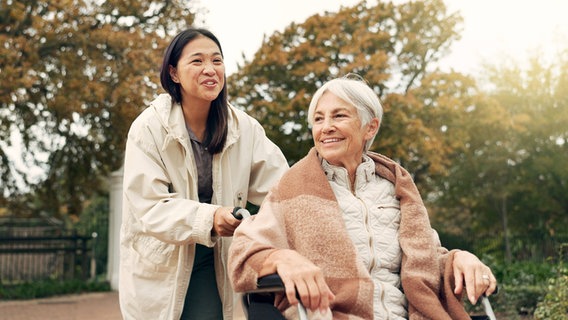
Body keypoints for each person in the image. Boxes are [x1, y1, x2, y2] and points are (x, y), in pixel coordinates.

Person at [228, 75, 498, 320]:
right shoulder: (292, 189)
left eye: (339, 116)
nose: (326, 127)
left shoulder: (396, 187)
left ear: (370, 128)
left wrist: (459, 259)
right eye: (319, 119)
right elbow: (243, 251)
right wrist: (282, 259)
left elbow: (423, 261)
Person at [118, 27, 289, 320]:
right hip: (162, 258)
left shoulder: (243, 128)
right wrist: (211, 217)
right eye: (197, 61)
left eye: (217, 60)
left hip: (214, 258)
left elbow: (284, 189)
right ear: (174, 73)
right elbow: (150, 206)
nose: (210, 69)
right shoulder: (148, 127)